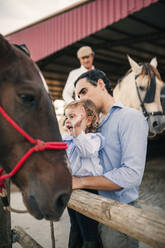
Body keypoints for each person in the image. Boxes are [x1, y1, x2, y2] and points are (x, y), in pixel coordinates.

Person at [73, 69, 149, 248]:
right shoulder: (93, 126)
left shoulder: (130, 117)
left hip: (119, 210)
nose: (81, 100)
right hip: (92, 209)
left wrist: (80, 182)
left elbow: (131, 174)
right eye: (78, 96)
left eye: (83, 91)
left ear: (100, 84)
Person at [63, 99, 104, 248]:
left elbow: (86, 151)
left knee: (89, 232)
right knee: (75, 227)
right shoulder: (66, 140)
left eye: (72, 116)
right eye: (66, 117)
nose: (68, 121)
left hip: (89, 190)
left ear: (88, 120)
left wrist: (78, 131)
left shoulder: (95, 139)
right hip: (72, 187)